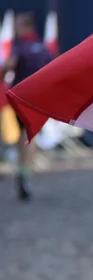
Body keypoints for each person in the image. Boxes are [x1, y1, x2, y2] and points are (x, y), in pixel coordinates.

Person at [5, 13, 52, 201]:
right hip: (38, 98)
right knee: (31, 135)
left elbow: (9, 65)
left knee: (22, 134)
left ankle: (21, 167)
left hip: (18, 96)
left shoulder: (19, 46)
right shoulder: (43, 48)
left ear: (24, 26)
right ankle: (25, 170)